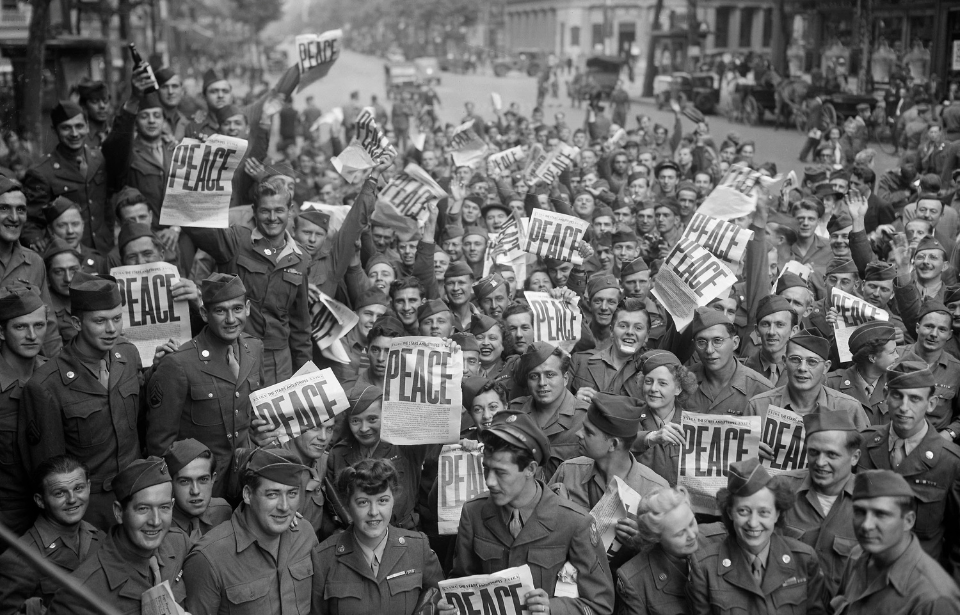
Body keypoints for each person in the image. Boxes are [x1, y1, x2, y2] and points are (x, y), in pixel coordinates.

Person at [443, 411, 615, 615]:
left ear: (530, 469)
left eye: (501, 472)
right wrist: (450, 607)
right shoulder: (473, 513)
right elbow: (461, 582)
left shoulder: (574, 522)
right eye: (486, 469)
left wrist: (553, 608)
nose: (489, 481)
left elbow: (600, 605)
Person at [20, 272, 143, 530]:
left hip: (137, 496)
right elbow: (50, 474)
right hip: (89, 513)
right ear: (76, 323)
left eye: (117, 319)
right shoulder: (46, 385)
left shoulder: (128, 356)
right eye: (100, 321)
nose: (111, 329)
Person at [183, 177, 312, 385]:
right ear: (254, 210)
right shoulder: (235, 241)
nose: (272, 218)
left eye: (279, 210)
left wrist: (306, 375)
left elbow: (301, 325)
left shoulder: (301, 259)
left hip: (278, 365)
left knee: (271, 418)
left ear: (290, 210)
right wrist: (196, 169)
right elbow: (194, 223)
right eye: (265, 211)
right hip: (234, 355)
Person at [146, 274, 263, 497]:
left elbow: (253, 412)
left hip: (245, 479)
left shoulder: (254, 348)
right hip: (200, 489)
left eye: (237, 309)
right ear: (203, 313)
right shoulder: (179, 363)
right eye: (220, 311)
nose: (231, 319)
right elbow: (160, 445)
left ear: (247, 308)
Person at [46, 457, 191, 615]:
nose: (156, 521)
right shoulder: (80, 595)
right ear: (119, 512)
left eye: (164, 507)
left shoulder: (178, 543)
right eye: (143, 509)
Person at [183, 448, 319, 615]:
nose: (284, 506)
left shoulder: (304, 534)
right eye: (272, 494)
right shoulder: (209, 559)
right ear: (247, 494)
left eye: (291, 494)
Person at [857, 361, 960, 574]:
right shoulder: (865, 443)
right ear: (886, 394)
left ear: (931, 403)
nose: (904, 407)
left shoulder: (950, 462)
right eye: (897, 396)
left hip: (918, 578)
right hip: (865, 569)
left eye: (914, 398)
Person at [687, 458, 826, 615]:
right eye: (743, 511)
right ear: (730, 512)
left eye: (763, 512)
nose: (753, 523)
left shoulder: (804, 559)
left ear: (777, 514)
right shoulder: (705, 567)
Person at [549, 393, 668, 563]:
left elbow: (668, 559)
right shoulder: (568, 471)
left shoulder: (656, 491)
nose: (578, 434)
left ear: (613, 444)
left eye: (588, 432)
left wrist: (645, 542)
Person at [314, 458, 444, 615]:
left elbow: (438, 599)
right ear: (348, 505)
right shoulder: (324, 558)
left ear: (393, 501)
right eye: (363, 502)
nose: (374, 512)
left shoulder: (418, 548)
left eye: (382, 500)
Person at [830, 470, 960, 613]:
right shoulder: (857, 555)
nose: (866, 525)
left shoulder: (934, 598)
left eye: (881, 514)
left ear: (908, 521)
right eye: (860, 512)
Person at [0, 455, 104, 613]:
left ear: (89, 487)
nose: (72, 499)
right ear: (40, 501)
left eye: (78, 488)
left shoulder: (100, 538)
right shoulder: (20, 558)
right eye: (59, 493)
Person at [327, 385, 433, 531]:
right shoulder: (338, 454)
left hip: (403, 535)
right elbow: (336, 504)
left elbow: (437, 437)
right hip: (357, 535)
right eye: (356, 421)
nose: (364, 428)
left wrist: (463, 445)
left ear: (386, 415)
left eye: (372, 419)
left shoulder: (406, 446)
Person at [780, 412, 862, 595]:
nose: (820, 462)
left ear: (855, 457)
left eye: (831, 455)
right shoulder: (781, 489)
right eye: (814, 452)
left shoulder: (871, 501)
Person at [22, 101, 112, 252]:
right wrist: (37, 242)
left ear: (88, 127)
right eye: (66, 128)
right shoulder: (42, 172)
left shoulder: (101, 159)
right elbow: (30, 222)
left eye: (79, 126)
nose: (74, 134)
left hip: (104, 251)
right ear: (55, 130)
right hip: (68, 257)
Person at [616, 486, 717, 615]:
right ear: (656, 537)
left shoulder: (719, 537)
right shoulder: (635, 581)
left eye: (692, 523)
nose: (692, 535)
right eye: (680, 533)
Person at [745, 329, 871, 429]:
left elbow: (862, 457)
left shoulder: (848, 408)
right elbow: (740, 456)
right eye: (795, 359)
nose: (802, 368)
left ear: (826, 367)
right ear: (784, 362)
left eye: (812, 362)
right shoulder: (759, 406)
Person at [0, 285, 47, 537]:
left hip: (54, 516)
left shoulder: (54, 376)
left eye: (39, 326)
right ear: (1, 331)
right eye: (20, 327)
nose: (32, 336)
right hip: (7, 521)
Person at [0, 177, 61, 356]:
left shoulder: (34, 262)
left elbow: (48, 324)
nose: (14, 218)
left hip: (25, 371)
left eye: (20, 210)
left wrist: (57, 374)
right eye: (3, 208)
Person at [509, 342, 588, 478]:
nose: (542, 383)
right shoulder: (514, 412)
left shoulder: (586, 418)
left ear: (565, 379)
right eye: (534, 376)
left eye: (550, 375)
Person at [684, 307, 773, 415]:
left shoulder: (762, 389)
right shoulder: (681, 382)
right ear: (694, 345)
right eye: (702, 342)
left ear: (735, 343)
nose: (709, 350)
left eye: (717, 341)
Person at [894, 300, 960, 438]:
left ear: (949, 335)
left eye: (942, 329)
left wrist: (949, 434)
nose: (934, 334)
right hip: (894, 436)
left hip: (935, 442)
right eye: (929, 326)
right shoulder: (894, 357)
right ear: (917, 328)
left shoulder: (956, 369)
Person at [570, 297, 649, 399]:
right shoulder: (580, 361)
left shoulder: (651, 370)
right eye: (623, 326)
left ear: (647, 336)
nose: (630, 332)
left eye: (638, 328)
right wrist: (574, 400)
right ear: (611, 331)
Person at [824, 321, 899, 424]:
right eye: (892, 352)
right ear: (872, 358)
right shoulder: (830, 384)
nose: (897, 356)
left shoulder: (895, 384)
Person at [163, 438, 232, 543]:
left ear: (213, 479)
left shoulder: (222, 512)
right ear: (170, 484)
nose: (195, 491)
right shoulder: (160, 526)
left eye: (203, 480)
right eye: (185, 481)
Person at [741, 295, 799, 385]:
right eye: (765, 324)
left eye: (780, 325)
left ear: (793, 331)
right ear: (757, 330)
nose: (771, 332)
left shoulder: (802, 372)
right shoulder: (741, 369)